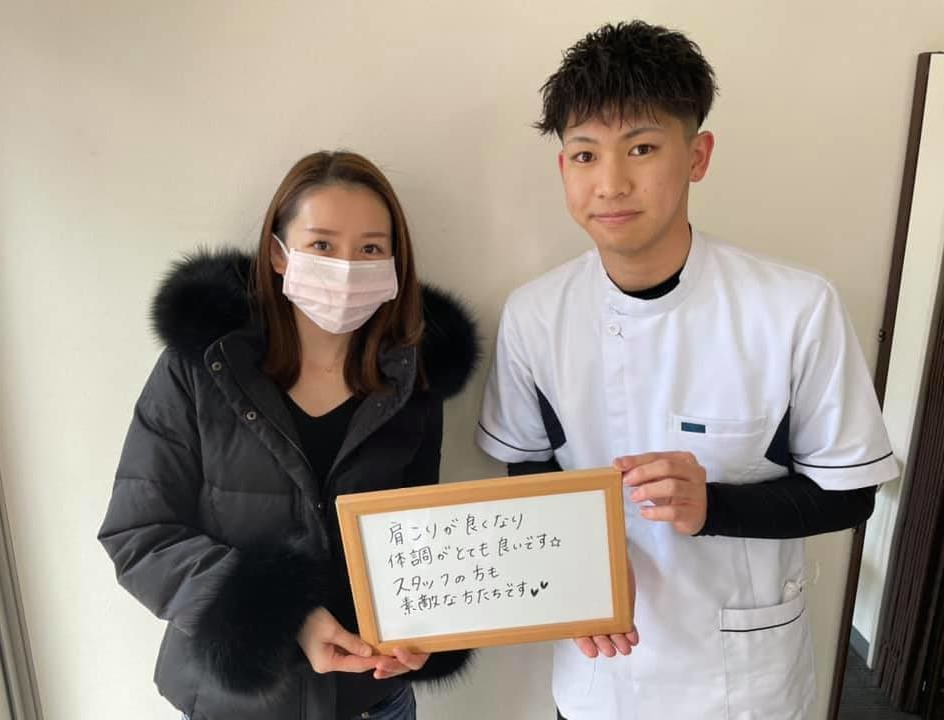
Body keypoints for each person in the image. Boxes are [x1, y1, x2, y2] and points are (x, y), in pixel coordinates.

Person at [476, 21, 898, 720]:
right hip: (599, 676)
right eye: (585, 154)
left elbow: (849, 494)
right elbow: (529, 472)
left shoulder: (794, 307)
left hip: (742, 682)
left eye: (641, 148)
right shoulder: (534, 315)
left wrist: (714, 508)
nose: (611, 183)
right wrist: (579, 572)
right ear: (563, 169)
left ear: (697, 156)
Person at [99, 150, 478, 720]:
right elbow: (138, 534)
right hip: (236, 706)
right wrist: (284, 618)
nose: (346, 268)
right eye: (322, 245)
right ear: (278, 254)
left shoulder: (413, 380)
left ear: (394, 263)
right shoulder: (201, 367)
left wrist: (424, 631)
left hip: (374, 699)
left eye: (370, 249)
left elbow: (418, 537)